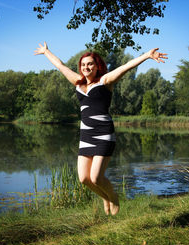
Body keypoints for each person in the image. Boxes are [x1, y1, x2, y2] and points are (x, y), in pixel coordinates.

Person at [34, 42, 167, 215]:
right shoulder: (77, 82)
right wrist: (46, 52)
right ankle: (105, 197)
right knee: (84, 179)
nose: (86, 67)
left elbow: (126, 66)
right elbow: (60, 65)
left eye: (90, 64)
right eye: (83, 64)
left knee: (96, 177)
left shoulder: (105, 81)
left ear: (97, 66)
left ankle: (113, 197)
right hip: (86, 136)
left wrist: (147, 56)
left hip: (104, 134)